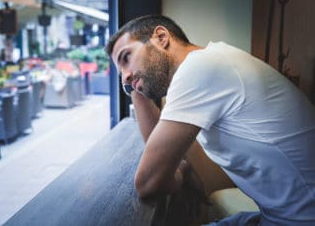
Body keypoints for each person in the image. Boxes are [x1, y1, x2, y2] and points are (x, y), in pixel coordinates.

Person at [105, 14, 315, 225]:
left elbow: (149, 182)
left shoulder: (200, 68)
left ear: (161, 37)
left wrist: (180, 174)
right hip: (279, 216)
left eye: (126, 57)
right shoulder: (211, 61)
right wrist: (133, 85)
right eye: (120, 72)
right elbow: (158, 150)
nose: (124, 76)